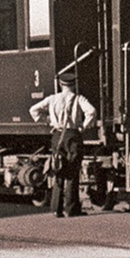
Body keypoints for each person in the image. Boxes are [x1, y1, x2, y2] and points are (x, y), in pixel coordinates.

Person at [29, 72, 97, 217]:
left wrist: (49, 121)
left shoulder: (52, 99)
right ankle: (71, 209)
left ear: (60, 84)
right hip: (73, 136)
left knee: (58, 169)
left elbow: (33, 110)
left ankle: (55, 209)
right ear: (74, 85)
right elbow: (91, 111)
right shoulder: (79, 98)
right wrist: (83, 127)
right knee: (72, 172)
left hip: (57, 136)